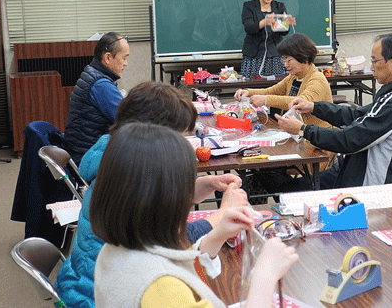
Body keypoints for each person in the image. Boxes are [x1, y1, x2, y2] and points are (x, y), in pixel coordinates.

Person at [57, 82, 248, 308]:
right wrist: (223, 214)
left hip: (89, 281)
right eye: (177, 136)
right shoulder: (158, 284)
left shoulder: (116, 157)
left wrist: (200, 186)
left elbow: (155, 212)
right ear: (151, 134)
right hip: (89, 295)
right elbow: (168, 237)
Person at [91, 123, 299, 307]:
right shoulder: (162, 288)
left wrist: (216, 236)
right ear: (168, 202)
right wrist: (265, 276)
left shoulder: (118, 251)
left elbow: (176, 264)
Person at [277, 33, 392, 188]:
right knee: (285, 184)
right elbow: (356, 115)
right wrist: (314, 107)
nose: (372, 67)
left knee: (286, 187)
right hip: (352, 167)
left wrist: (303, 130)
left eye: (375, 61)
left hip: (364, 186)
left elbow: (349, 139)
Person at [234, 33, 332, 128]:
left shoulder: (317, 80)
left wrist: (265, 100)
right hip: (295, 132)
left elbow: (300, 103)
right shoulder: (293, 77)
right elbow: (271, 91)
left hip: (316, 137)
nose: (285, 65)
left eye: (289, 60)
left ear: (304, 58)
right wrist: (247, 92)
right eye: (283, 60)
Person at [63, 32, 129, 164]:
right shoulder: (101, 84)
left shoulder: (93, 73)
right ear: (108, 58)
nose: (126, 63)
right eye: (124, 58)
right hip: (87, 157)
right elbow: (128, 120)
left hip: (80, 151)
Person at [241, 0, 296, 79]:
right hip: (254, 55)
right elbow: (249, 28)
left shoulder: (279, 6)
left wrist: (286, 24)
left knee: (276, 86)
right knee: (253, 87)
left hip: (275, 54)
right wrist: (264, 22)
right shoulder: (249, 6)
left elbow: (283, 32)